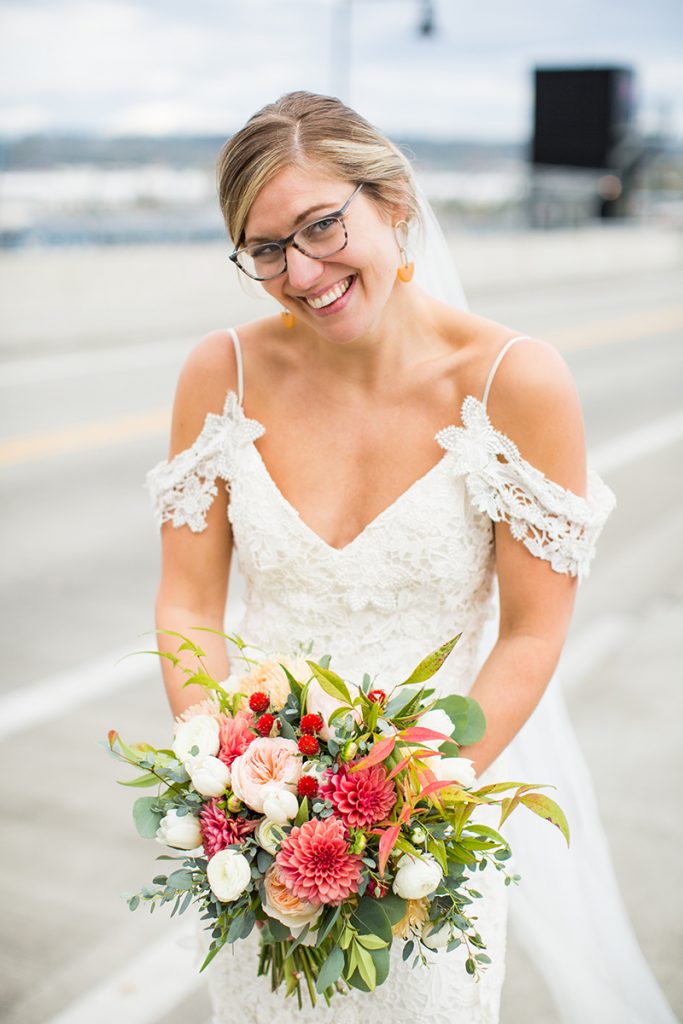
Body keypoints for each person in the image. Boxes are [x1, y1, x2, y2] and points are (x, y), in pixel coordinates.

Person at [145, 92, 675, 1024]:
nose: (302, 273)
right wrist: (223, 772)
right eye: (265, 251)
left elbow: (531, 634)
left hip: (424, 843)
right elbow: (188, 605)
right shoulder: (216, 374)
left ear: (392, 201)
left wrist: (400, 801)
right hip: (263, 846)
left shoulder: (517, 383)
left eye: (320, 226)